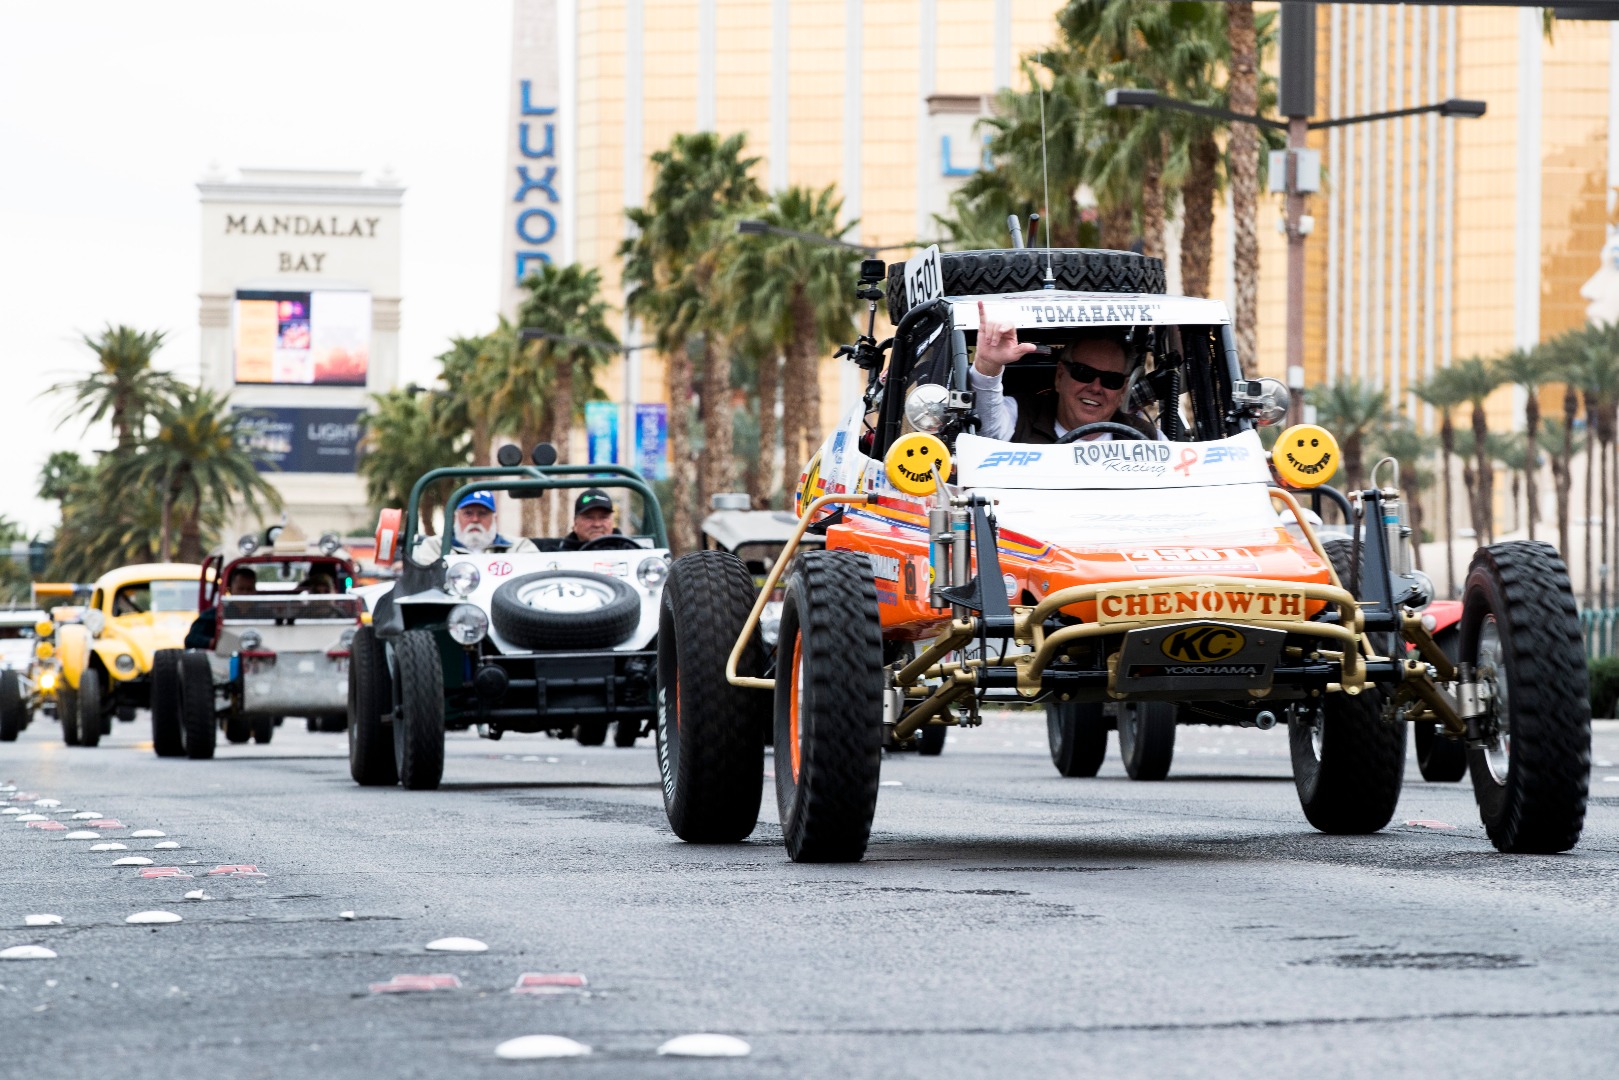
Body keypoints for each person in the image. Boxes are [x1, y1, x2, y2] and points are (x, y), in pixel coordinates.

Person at [968, 300, 1159, 443]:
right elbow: (987, 430)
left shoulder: (1146, 438)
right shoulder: (1019, 416)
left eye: (1111, 380)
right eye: (1083, 373)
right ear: (1060, 376)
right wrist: (988, 364)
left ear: (1123, 391)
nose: (1095, 387)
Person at [413, 491, 535, 560]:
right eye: (468, 513)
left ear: (495, 519)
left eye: (482, 513)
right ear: (455, 517)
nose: (475, 519)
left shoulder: (518, 547)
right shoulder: (434, 547)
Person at [184, 566, 257, 649]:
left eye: (249, 589)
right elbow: (190, 639)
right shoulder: (213, 615)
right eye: (241, 589)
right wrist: (212, 642)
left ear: (255, 590)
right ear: (230, 590)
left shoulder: (265, 614)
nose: (245, 594)